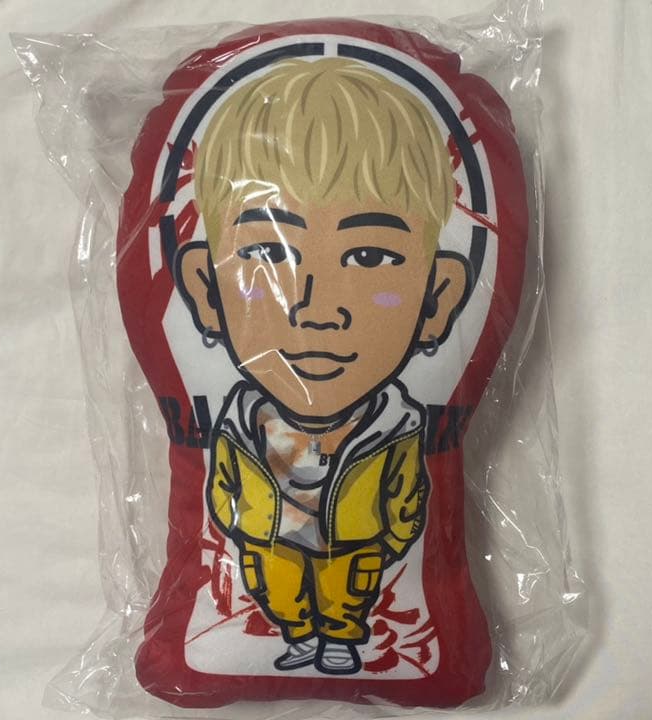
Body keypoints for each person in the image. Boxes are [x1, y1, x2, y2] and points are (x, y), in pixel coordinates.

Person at [176, 57, 470, 675]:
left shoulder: (397, 428)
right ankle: (297, 637)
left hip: (355, 549)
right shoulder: (238, 425)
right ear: (205, 291)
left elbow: (407, 492)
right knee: (282, 592)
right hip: (270, 546)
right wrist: (241, 527)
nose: (315, 309)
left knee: (347, 597)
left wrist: (388, 539)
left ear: (438, 298)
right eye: (268, 251)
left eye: (368, 257)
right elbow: (224, 481)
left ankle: (339, 638)